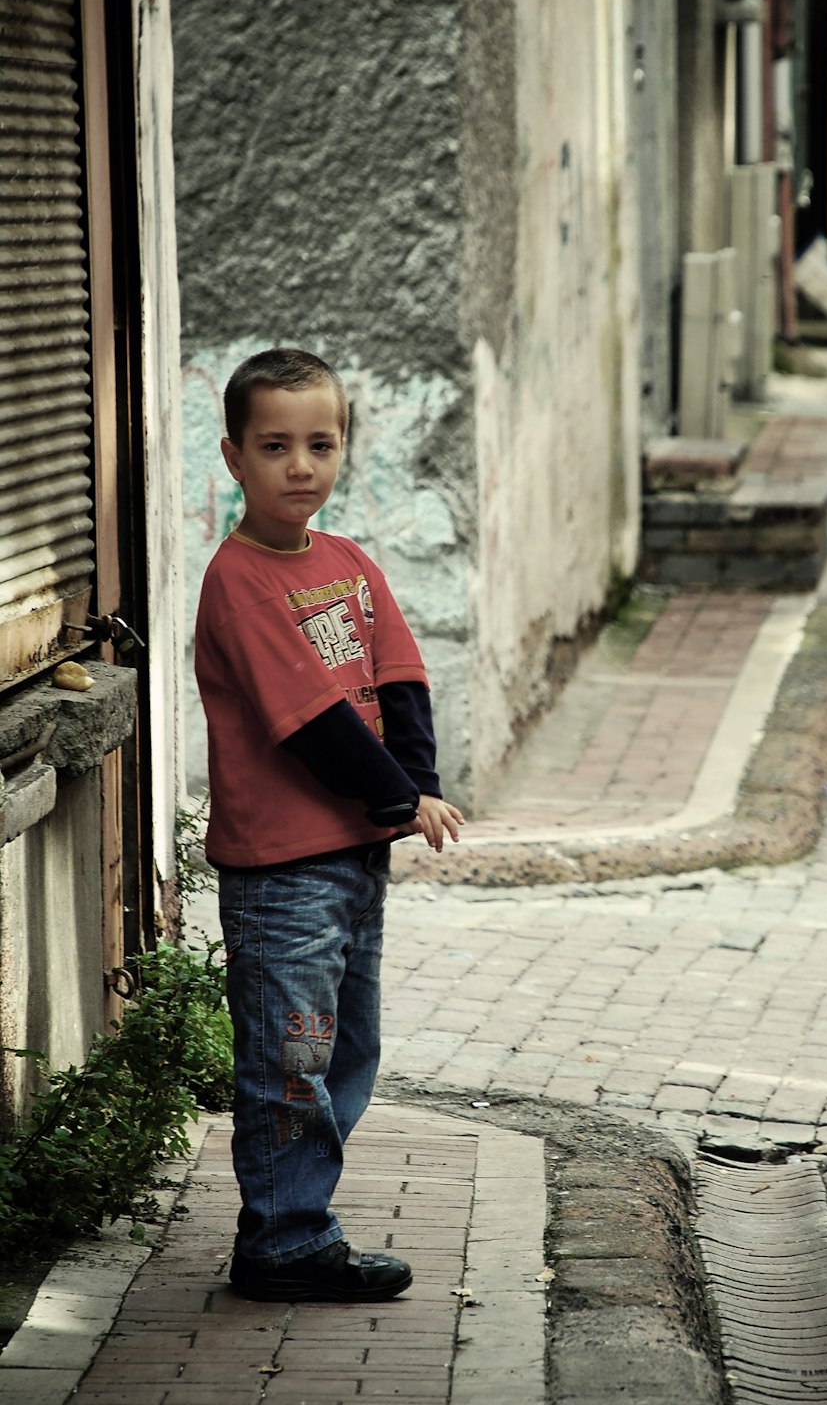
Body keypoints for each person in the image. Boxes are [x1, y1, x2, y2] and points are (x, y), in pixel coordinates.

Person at [194, 347, 464, 1303]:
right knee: (291, 1059)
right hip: (283, 871)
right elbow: (308, 717)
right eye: (275, 446)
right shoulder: (238, 581)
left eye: (321, 443)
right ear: (232, 457)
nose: (300, 465)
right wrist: (400, 798)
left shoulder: (349, 562)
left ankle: (297, 1219)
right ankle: (284, 1239)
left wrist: (416, 782)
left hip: (351, 858)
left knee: (345, 1051)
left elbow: (400, 676)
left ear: (344, 447)